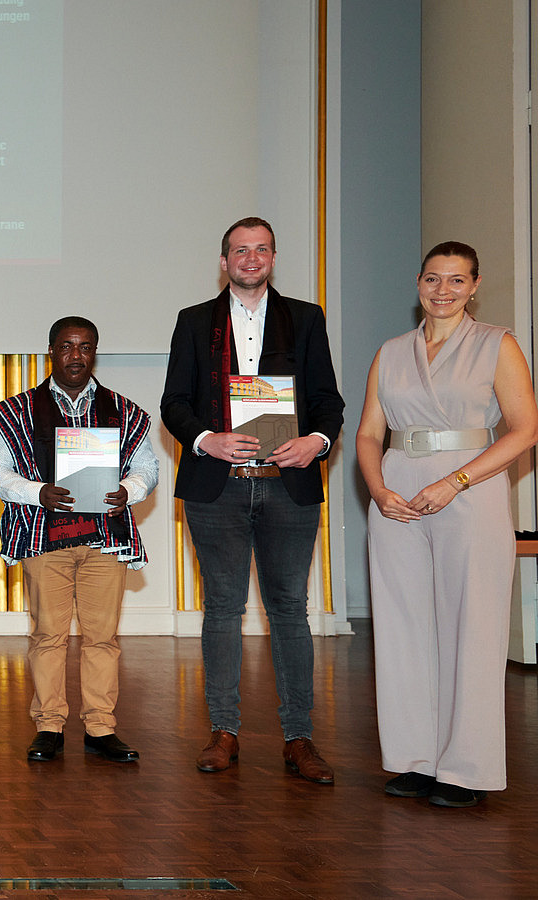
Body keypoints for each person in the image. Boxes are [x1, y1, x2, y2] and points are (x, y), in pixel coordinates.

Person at [160, 216, 344, 784]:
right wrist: (204, 439)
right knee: (222, 610)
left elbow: (328, 403)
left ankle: (298, 738)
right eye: (240, 250)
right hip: (217, 488)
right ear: (224, 261)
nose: (250, 258)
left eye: (261, 249)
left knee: (290, 609)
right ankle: (224, 732)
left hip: (288, 488)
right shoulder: (193, 323)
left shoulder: (307, 320)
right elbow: (174, 402)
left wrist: (316, 442)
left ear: (272, 258)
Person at [357, 241, 538, 808]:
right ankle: (414, 760)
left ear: (475, 286)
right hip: (396, 499)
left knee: (473, 626)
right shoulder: (390, 352)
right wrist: (379, 489)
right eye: (433, 280)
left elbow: (524, 429)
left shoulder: (497, 344)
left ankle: (466, 769)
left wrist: (455, 482)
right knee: (401, 627)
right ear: (418, 284)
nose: (443, 291)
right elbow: (367, 434)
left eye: (456, 281)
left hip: (470, 492)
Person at [0, 316, 157, 764]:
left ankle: (100, 727)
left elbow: (147, 467)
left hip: (106, 539)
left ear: (94, 352)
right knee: (48, 636)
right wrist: (36, 492)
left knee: (103, 637)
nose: (76, 355)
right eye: (67, 346)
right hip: (46, 536)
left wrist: (131, 491)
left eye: (85, 347)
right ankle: (49, 725)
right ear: (51, 351)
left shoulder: (126, 410)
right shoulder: (12, 412)